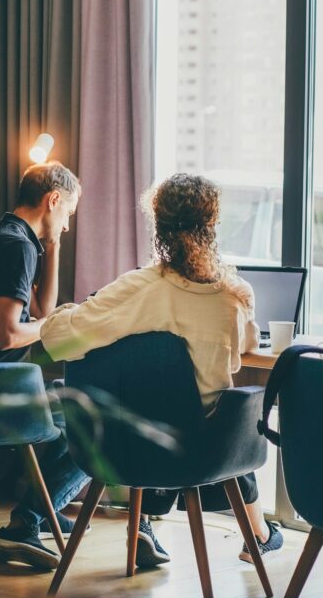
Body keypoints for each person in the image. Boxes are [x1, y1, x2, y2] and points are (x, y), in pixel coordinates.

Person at [40, 173, 283, 568]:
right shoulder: (234, 294)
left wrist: (75, 312)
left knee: (151, 399)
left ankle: (144, 524)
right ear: (213, 225)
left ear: (159, 225)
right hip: (203, 454)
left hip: (117, 445)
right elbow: (246, 351)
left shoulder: (139, 287)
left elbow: (58, 339)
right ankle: (257, 534)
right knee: (216, 407)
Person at [0, 161, 88, 570]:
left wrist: (54, 248)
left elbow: (41, 307)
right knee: (96, 422)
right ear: (53, 199)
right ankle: (28, 519)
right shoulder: (18, 247)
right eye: (67, 216)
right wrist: (52, 328)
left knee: (69, 397)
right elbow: (7, 335)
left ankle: (42, 508)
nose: (66, 226)